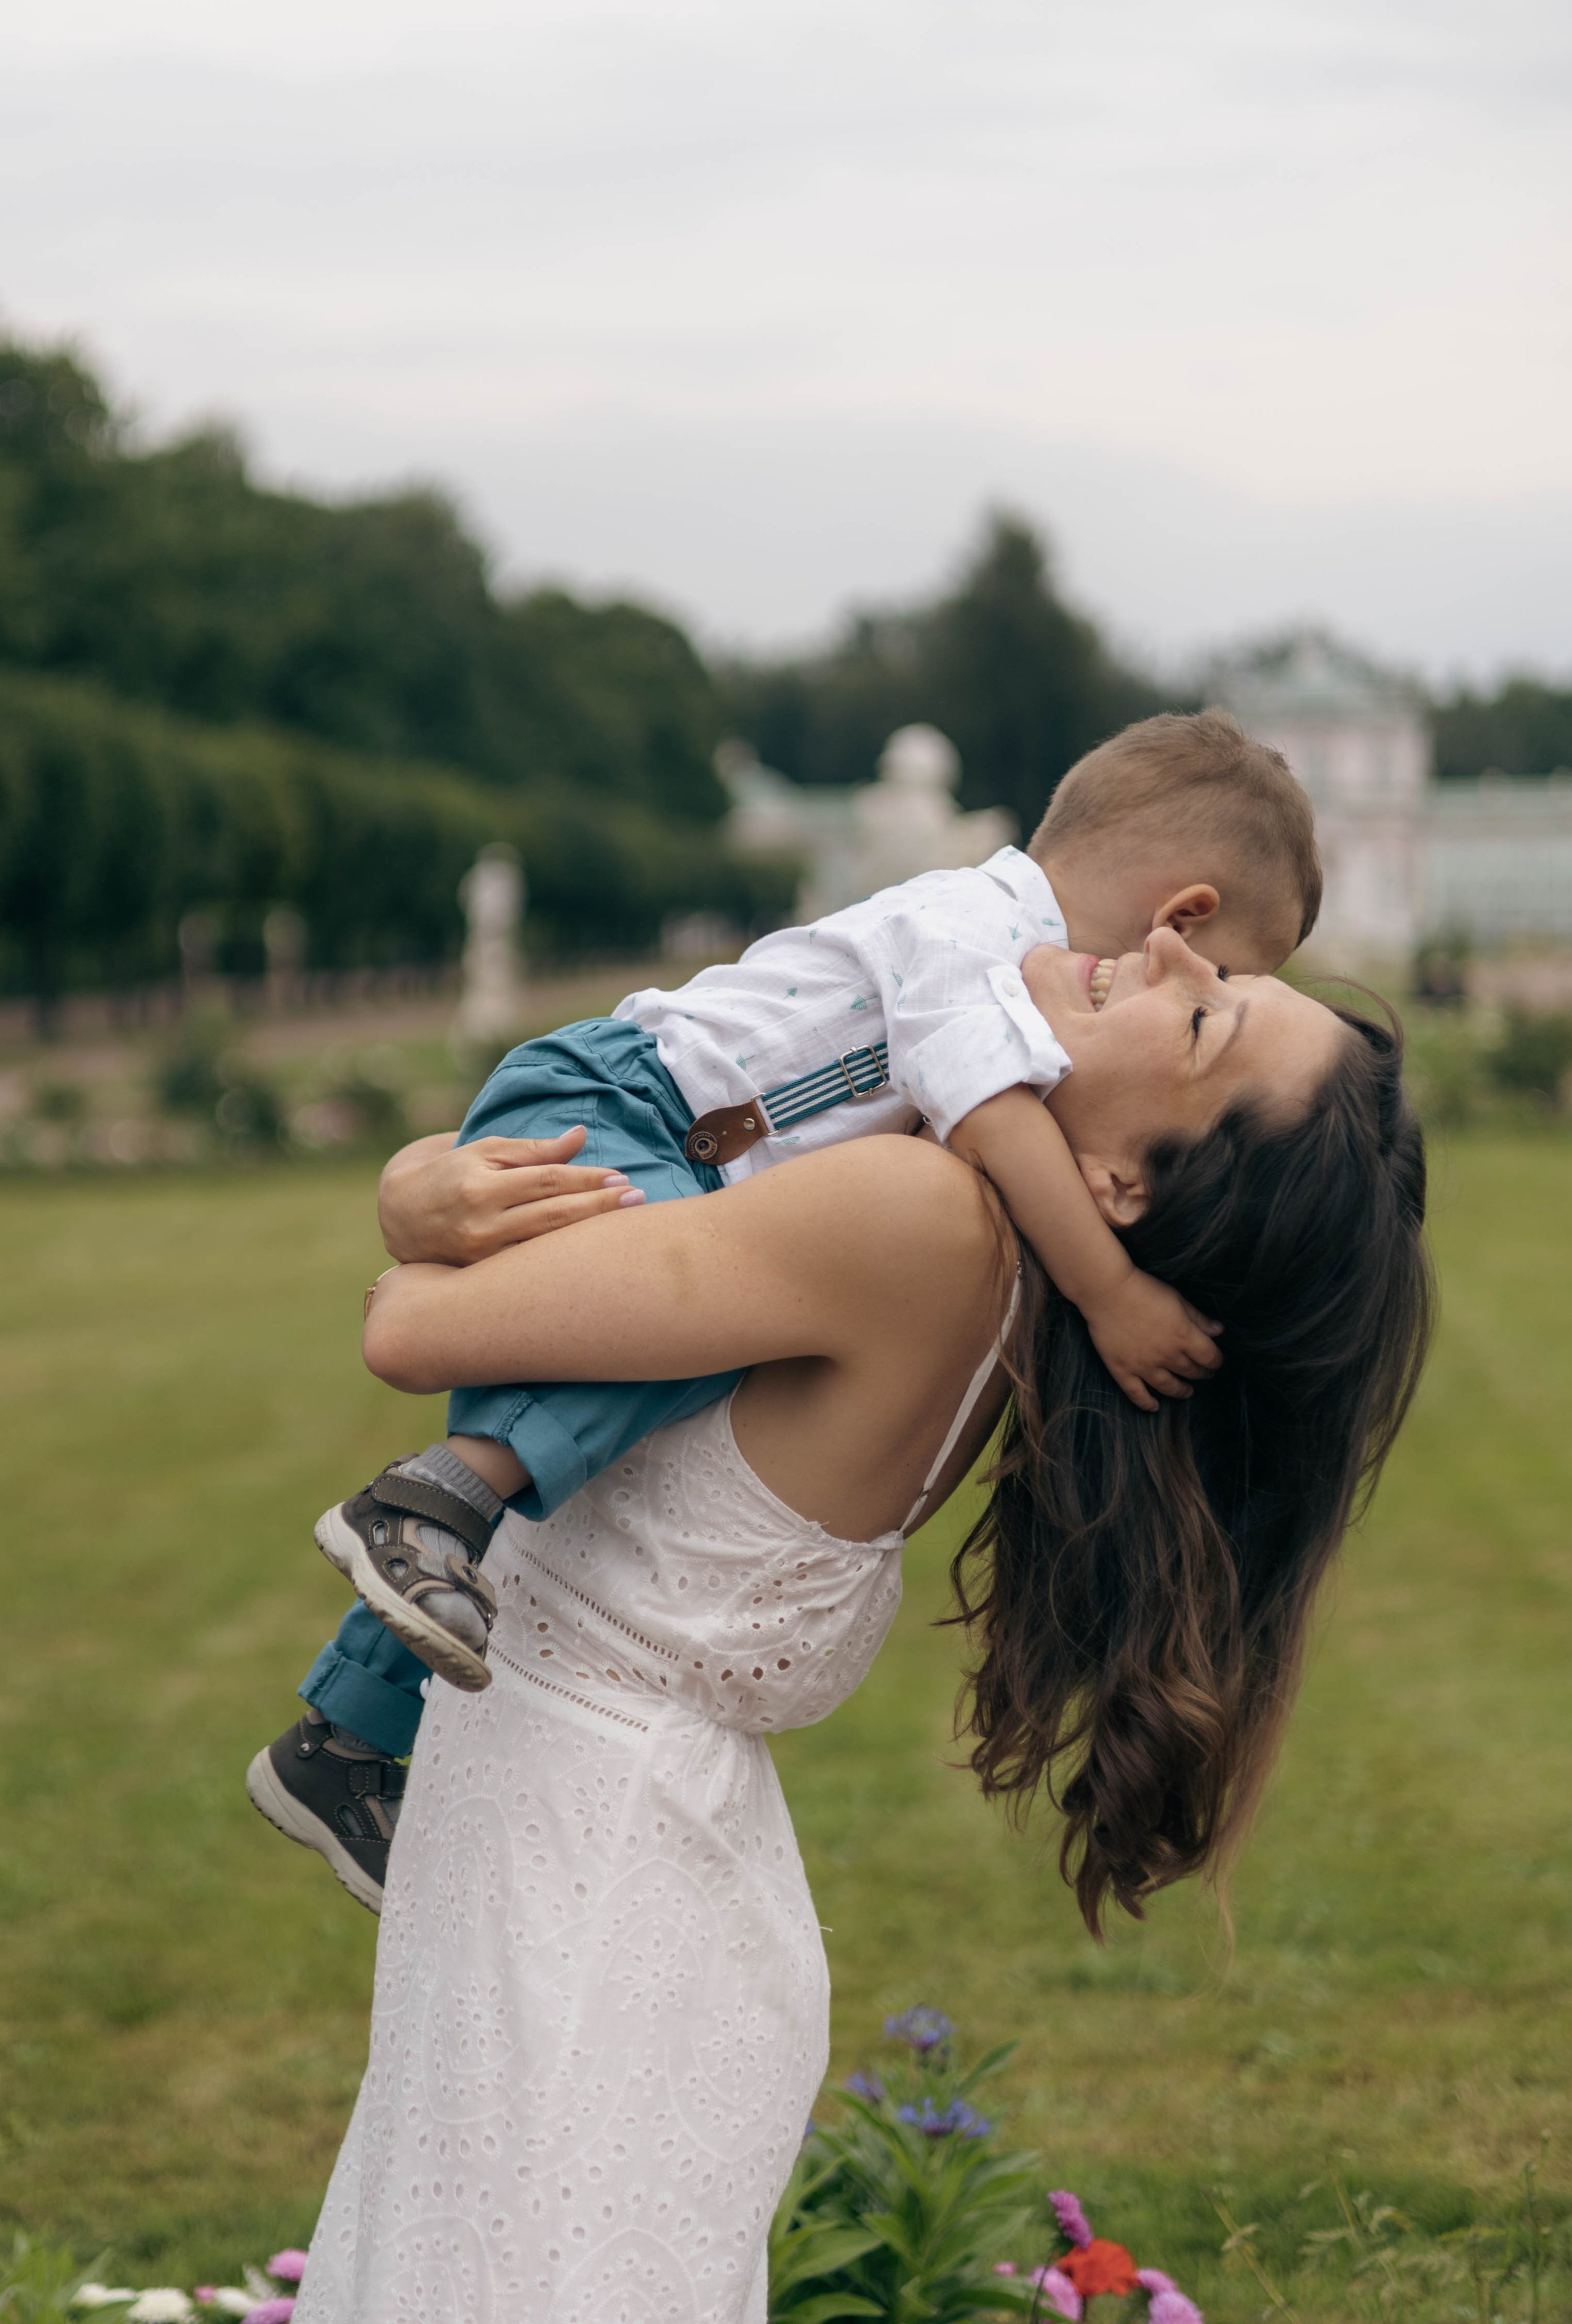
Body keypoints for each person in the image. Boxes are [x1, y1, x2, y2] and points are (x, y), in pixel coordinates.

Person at [291, 930, 1430, 2323]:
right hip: (587, 1872)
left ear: (1122, 1186)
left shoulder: (911, 1219)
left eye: (1203, 1021)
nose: (1165, 950)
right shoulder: (966, 1235)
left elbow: (414, 1325)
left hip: (586, 1915)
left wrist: (421, 1197)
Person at [250, 710, 1324, 1912]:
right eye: (1218, 980)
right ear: (1174, 915)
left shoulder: (983, 1010)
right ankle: (440, 1493)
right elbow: (979, 1105)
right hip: (642, 1103)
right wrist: (1109, 1287)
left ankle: (337, 1743)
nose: (1188, 979)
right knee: (669, 1350)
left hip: (670, 1127)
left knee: (657, 1357)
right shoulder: (978, 935)